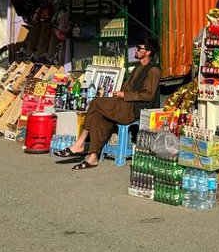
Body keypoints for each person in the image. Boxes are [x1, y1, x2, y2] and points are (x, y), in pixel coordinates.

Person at [58, 38, 161, 170]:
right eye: (136, 47)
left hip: (135, 109)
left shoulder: (153, 70)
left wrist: (124, 95)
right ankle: (93, 157)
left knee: (95, 103)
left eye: (139, 48)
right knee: (97, 116)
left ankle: (80, 143)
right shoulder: (137, 67)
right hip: (125, 103)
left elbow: (148, 95)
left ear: (148, 52)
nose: (136, 50)